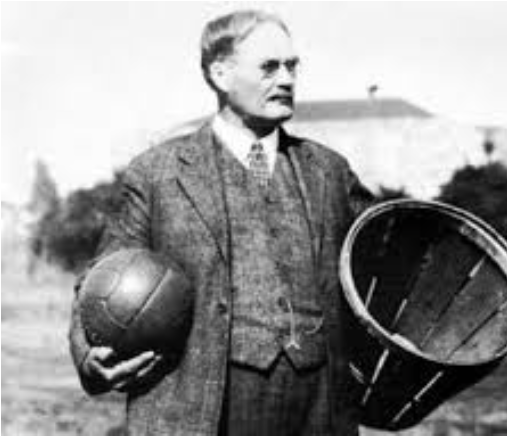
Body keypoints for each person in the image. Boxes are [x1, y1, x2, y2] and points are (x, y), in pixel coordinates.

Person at [68, 10, 373, 435]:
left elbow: (383, 265)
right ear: (220, 73)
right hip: (197, 407)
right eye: (269, 67)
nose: (286, 79)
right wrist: (89, 355)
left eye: (292, 66)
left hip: (319, 409)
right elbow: (99, 279)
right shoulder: (157, 173)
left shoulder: (331, 171)